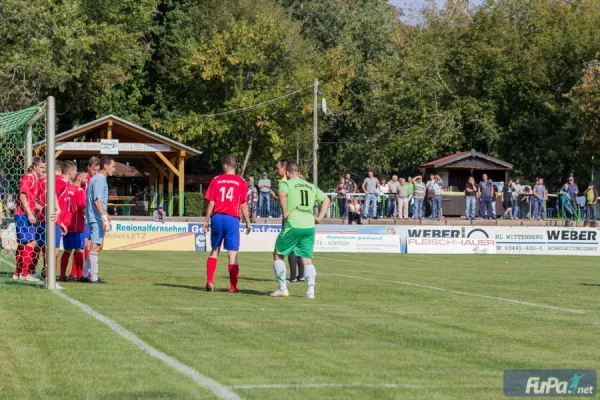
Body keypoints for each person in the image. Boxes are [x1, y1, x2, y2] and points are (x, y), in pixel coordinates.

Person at [271, 162, 330, 299]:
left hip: (294, 222)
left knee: (278, 254)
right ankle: (310, 292)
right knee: (307, 259)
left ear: (288, 173)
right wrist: (320, 217)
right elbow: (327, 199)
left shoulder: (286, 183)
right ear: (298, 172)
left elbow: (281, 193)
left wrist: (285, 212)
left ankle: (282, 288)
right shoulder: (310, 185)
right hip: (309, 224)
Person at [202, 155, 251, 293]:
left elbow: (211, 202)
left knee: (214, 250)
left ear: (225, 165)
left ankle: (210, 281)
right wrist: (248, 222)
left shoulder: (216, 180)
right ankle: (233, 287)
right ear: (236, 166)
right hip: (232, 219)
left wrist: (206, 221)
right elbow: (244, 205)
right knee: (232, 253)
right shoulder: (241, 182)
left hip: (217, 217)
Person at [82, 156, 115, 284]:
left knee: (96, 245)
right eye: (112, 166)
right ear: (105, 166)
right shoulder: (100, 180)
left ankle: (85, 275)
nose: (114, 169)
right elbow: (97, 199)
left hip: (94, 216)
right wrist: (103, 216)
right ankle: (93, 277)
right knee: (96, 246)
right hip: (96, 218)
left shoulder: (95, 179)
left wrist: (105, 214)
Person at [13, 157, 45, 281]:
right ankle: (25, 274)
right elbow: (22, 196)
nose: (43, 170)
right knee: (31, 243)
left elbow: (31, 201)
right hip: (23, 214)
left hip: (26, 213)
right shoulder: (28, 177)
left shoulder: (35, 180)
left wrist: (42, 208)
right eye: (41, 167)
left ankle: (18, 273)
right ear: (35, 166)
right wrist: (30, 213)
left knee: (23, 243)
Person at [36, 160, 68, 279]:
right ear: (59, 170)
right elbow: (52, 192)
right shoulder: (59, 181)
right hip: (53, 219)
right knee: (54, 249)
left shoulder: (42, 181)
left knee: (41, 247)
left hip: (41, 218)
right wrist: (58, 208)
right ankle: (49, 274)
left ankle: (31, 271)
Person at [61, 171, 88, 281]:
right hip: (76, 223)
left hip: (65, 223)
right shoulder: (80, 191)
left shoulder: (67, 189)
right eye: (86, 178)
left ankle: (62, 275)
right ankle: (80, 276)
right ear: (79, 179)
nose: (87, 180)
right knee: (79, 250)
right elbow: (82, 208)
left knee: (67, 250)